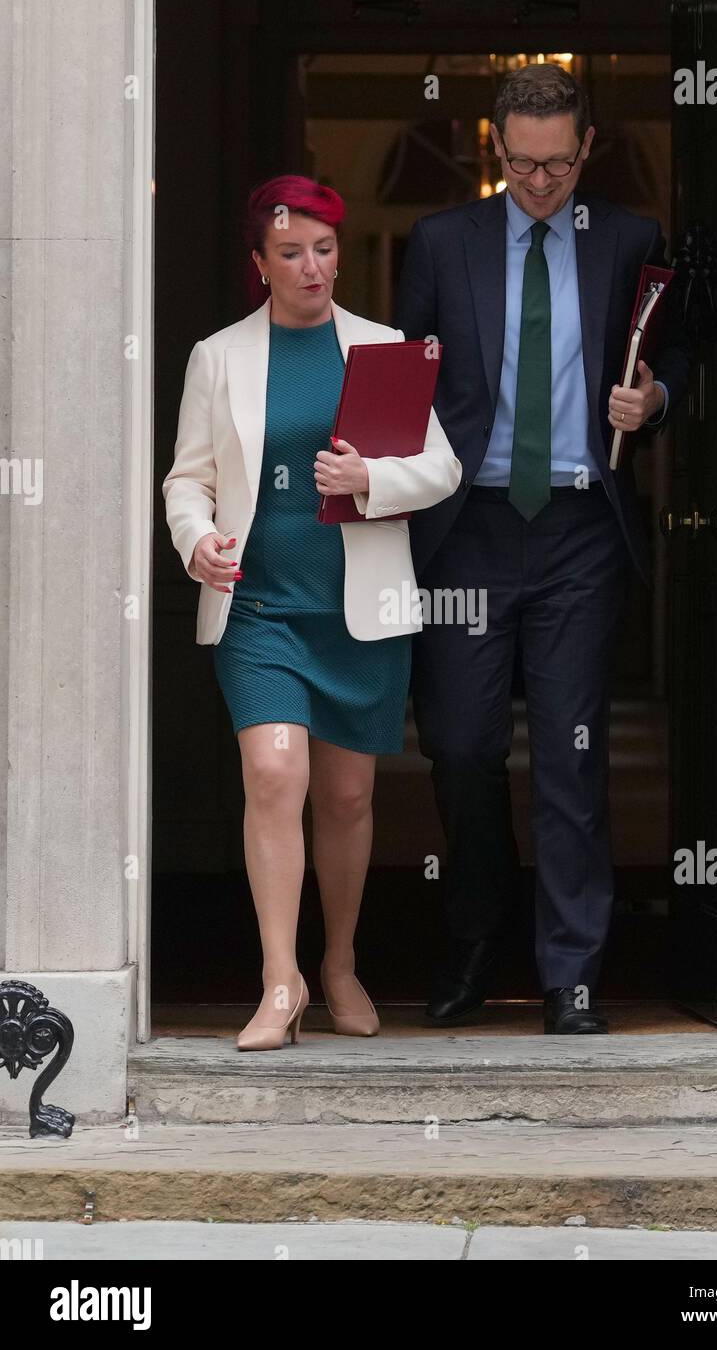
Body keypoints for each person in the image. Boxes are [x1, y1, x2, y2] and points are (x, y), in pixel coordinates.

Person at [396, 64, 692, 1035]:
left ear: (586, 148)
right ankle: (476, 939)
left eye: (558, 164)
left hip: (575, 531)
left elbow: (681, 349)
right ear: (494, 148)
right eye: (522, 164)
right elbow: (407, 373)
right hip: (465, 526)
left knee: (572, 755)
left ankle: (571, 973)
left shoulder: (628, 241)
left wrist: (651, 400)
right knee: (462, 744)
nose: (539, 182)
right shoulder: (442, 242)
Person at [162, 175, 461, 1050]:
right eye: (291, 252)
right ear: (260, 263)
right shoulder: (218, 357)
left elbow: (441, 467)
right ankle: (280, 979)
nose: (313, 266)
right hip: (258, 608)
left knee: (345, 794)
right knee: (274, 777)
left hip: (358, 611)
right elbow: (190, 477)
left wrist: (373, 479)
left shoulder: (384, 347)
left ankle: (339, 962)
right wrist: (195, 539)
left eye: (325, 249)